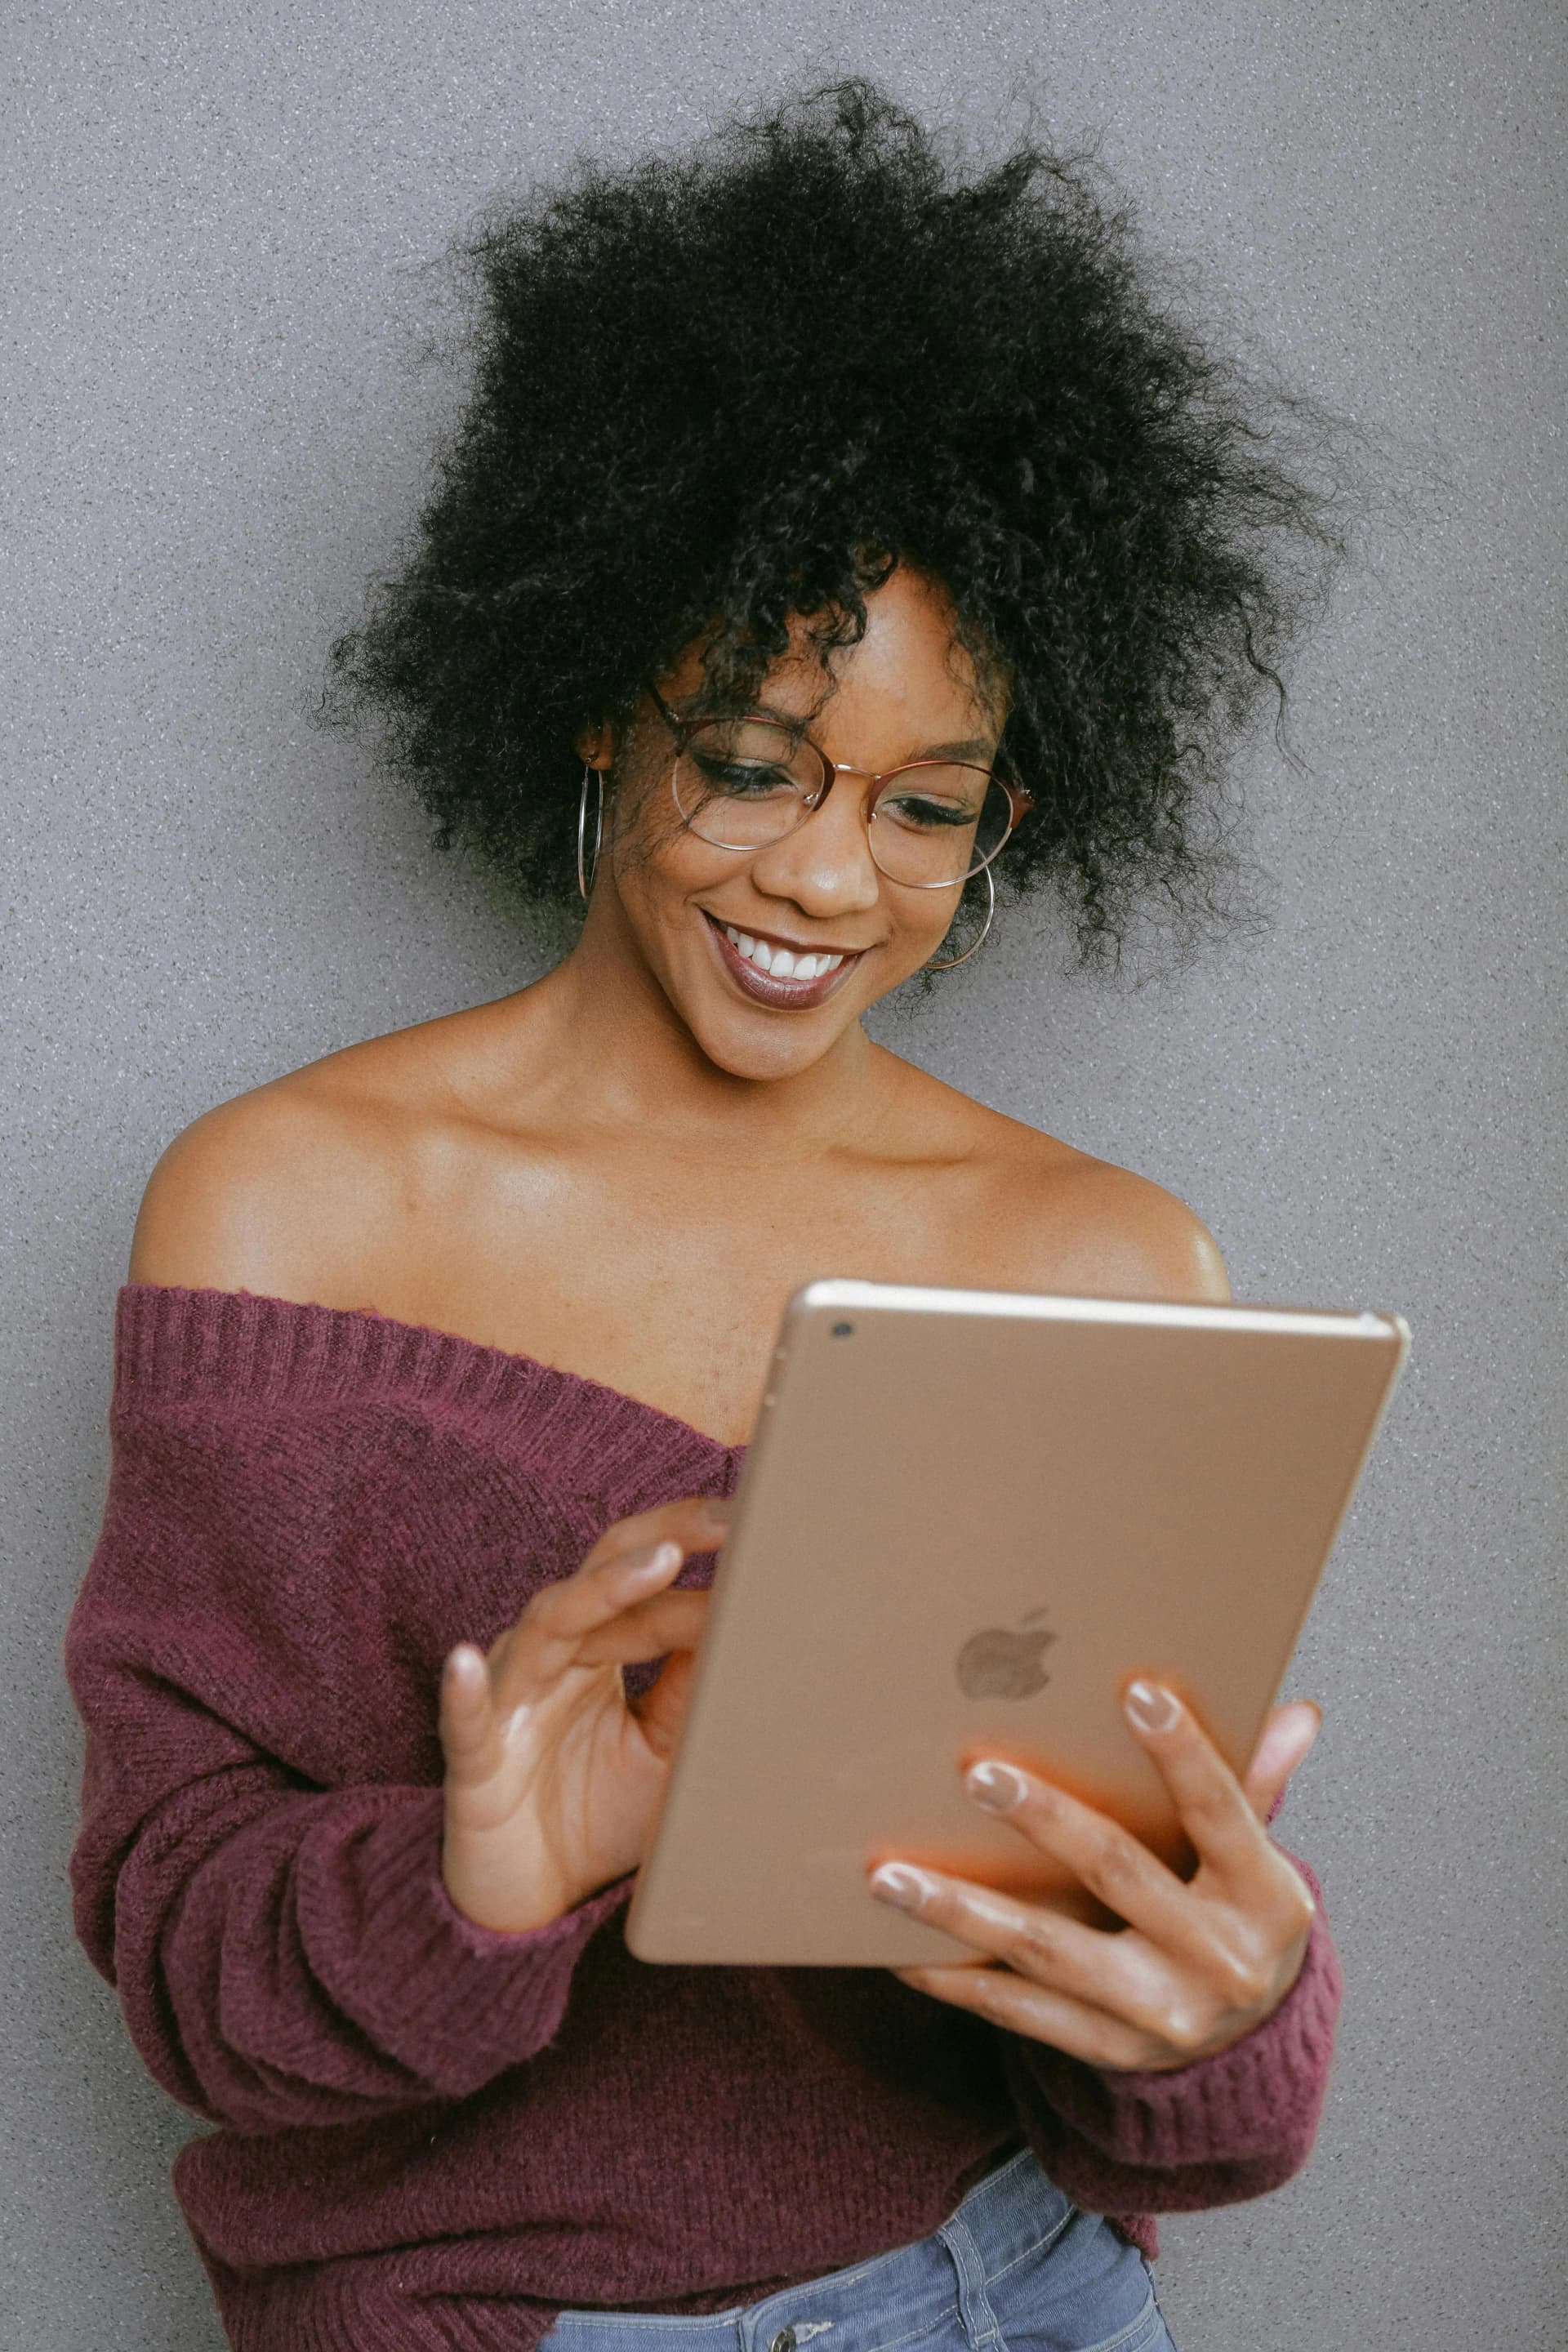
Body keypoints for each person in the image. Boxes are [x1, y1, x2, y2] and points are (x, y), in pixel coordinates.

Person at [65, 79, 1365, 2352]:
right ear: (597, 700)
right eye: (752, 763)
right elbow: (185, 1966)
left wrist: (1222, 2014)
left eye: (931, 806)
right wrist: (499, 1870)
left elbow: (1174, 2089)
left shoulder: (1107, 1266)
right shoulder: (288, 1209)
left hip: (1022, 2301)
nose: (829, 881)